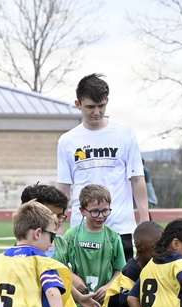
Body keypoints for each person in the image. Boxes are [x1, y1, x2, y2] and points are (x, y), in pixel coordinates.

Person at [56, 73, 150, 261]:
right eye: (90, 107)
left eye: (101, 106)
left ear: (107, 101)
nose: (97, 112)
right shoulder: (67, 141)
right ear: (78, 104)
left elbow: (137, 179)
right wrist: (59, 226)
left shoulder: (125, 134)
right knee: (84, 287)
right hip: (81, 228)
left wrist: (145, 220)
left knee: (122, 287)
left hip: (121, 227)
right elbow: (63, 187)